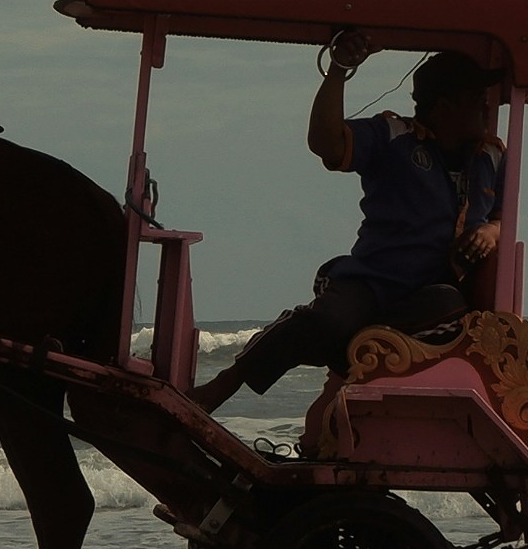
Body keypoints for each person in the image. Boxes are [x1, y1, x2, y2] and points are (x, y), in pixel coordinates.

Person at [201, 33, 505, 405]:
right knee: (327, 321)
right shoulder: (395, 137)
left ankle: (354, 387)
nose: (488, 109)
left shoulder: (491, 157)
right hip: (373, 282)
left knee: (451, 312)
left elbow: (504, 215)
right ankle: (225, 383)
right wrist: (339, 69)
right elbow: (326, 142)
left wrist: (492, 229)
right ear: (445, 106)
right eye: (478, 101)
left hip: (430, 294)